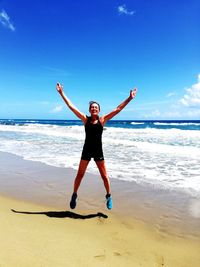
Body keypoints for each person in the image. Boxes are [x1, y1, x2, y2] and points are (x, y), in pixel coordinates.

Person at [56, 83, 137, 210]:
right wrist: (61, 93)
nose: (94, 109)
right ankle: (74, 194)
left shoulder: (102, 120)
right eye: (92, 107)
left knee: (104, 176)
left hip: (98, 150)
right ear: (89, 110)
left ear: (99, 110)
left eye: (96, 107)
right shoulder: (85, 119)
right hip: (86, 150)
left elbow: (117, 109)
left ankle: (108, 196)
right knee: (80, 175)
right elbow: (71, 106)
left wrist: (129, 98)